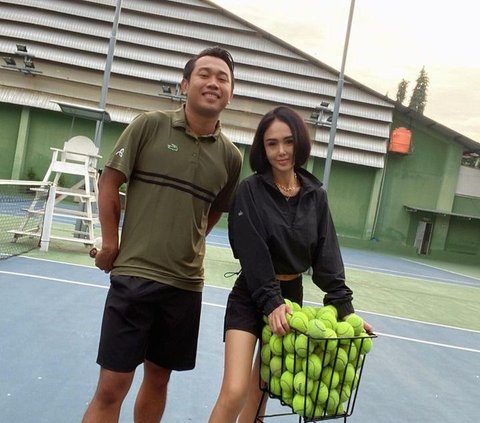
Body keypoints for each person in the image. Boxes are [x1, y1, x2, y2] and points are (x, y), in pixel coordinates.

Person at [82, 46, 242, 423]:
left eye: (223, 78)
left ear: (231, 93)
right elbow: (109, 182)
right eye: (204, 74)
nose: (213, 82)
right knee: (112, 386)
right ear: (185, 84)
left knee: (158, 380)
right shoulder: (149, 125)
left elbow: (215, 209)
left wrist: (190, 240)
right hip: (134, 277)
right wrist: (111, 243)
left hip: (185, 287)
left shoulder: (232, 158)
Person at [208, 105, 373, 423]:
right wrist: (271, 302)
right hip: (251, 296)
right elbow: (251, 252)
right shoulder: (250, 191)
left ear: (299, 143)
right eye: (272, 143)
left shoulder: (316, 196)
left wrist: (346, 312)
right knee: (235, 391)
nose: (281, 151)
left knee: (259, 398)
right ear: (262, 148)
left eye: (288, 141)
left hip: (291, 300)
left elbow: (328, 260)